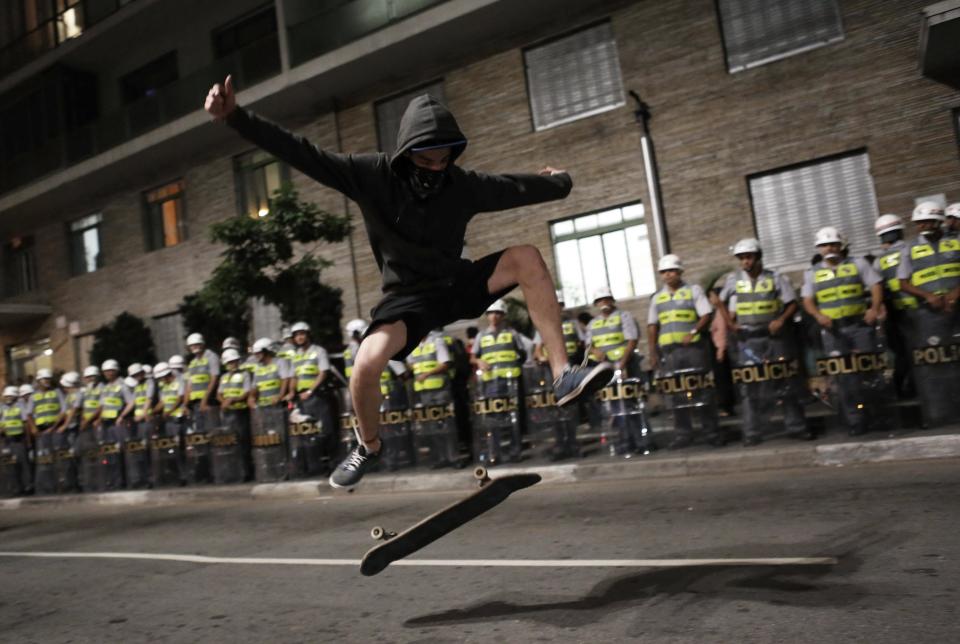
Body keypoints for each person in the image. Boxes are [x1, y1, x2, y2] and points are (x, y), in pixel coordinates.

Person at [206, 79, 613, 487]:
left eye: (443, 162)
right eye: (426, 162)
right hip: (407, 300)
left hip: (455, 284)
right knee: (364, 365)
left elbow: (515, 187)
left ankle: (563, 375)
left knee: (525, 256)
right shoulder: (370, 175)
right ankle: (368, 445)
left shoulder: (461, 184)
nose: (435, 170)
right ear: (406, 154)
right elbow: (303, 153)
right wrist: (237, 118)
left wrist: (561, 182)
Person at [716, 238, 808, 445]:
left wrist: (781, 319)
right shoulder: (734, 280)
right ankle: (752, 432)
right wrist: (730, 323)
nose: (745, 262)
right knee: (750, 388)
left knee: (785, 382)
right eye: (741, 258)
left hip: (774, 337)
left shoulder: (775, 278)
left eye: (748, 257)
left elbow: (792, 303)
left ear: (758, 257)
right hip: (747, 340)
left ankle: (797, 426)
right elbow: (719, 301)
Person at [801, 226, 884, 435]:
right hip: (833, 332)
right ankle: (855, 421)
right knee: (843, 378)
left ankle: (877, 416)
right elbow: (808, 300)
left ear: (841, 245)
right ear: (818, 248)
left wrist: (874, 308)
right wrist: (818, 316)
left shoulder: (858, 264)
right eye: (824, 245)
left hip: (859, 326)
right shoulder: (812, 273)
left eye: (833, 244)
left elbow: (875, 285)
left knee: (869, 372)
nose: (829, 248)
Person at [647, 254, 721, 448]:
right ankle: (683, 434)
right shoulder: (657, 297)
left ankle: (711, 432)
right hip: (669, 353)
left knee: (702, 390)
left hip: (693, 350)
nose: (668, 275)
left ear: (680, 271)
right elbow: (652, 325)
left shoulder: (693, 291)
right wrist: (652, 351)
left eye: (671, 271)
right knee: (675, 395)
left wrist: (694, 331)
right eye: (664, 272)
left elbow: (706, 314)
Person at [896, 202, 959, 427]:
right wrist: (927, 296)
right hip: (929, 313)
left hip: (956, 307)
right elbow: (902, 282)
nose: (924, 225)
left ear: (940, 221)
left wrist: (955, 293)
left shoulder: (956, 242)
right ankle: (938, 414)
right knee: (933, 365)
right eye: (920, 222)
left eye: (928, 221)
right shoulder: (909, 249)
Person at [587, 286, 654, 456]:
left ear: (612, 300)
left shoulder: (624, 317)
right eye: (600, 300)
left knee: (631, 404)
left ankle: (642, 441)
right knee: (615, 408)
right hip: (605, 370)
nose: (604, 303)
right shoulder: (593, 324)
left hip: (626, 366)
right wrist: (595, 352)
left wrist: (622, 364)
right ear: (596, 303)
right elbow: (588, 346)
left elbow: (632, 340)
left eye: (606, 299)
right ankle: (624, 442)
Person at [872, 214, 917, 399]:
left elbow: (877, 288)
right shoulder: (912, 249)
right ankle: (914, 388)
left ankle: (899, 390)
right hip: (917, 308)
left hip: (894, 313)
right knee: (919, 352)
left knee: (901, 353)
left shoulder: (878, 261)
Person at [1, 385, 33, 494]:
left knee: (23, 464)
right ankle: (14, 486)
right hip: (6, 441)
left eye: (10, 396)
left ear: (15, 397)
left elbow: (26, 425)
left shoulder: (20, 406)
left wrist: (28, 442)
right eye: (6, 396)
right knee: (10, 465)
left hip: (19, 440)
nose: (7, 398)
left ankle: (27, 486)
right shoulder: (1, 408)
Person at [184, 333, 220, 417]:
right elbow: (189, 386)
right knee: (200, 429)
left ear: (202, 344)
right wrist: (185, 405)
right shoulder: (193, 363)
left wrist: (205, 400)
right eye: (192, 345)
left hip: (210, 401)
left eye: (196, 344)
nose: (194, 347)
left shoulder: (211, 357)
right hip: (196, 403)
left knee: (212, 428)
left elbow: (214, 379)